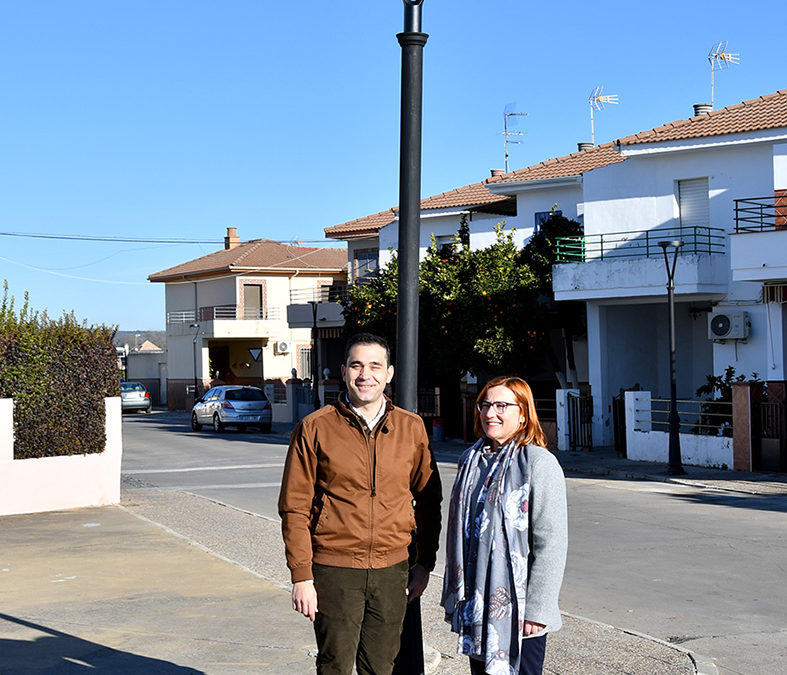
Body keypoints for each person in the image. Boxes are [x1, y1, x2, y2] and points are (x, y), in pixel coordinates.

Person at [278, 333, 442, 675]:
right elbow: (294, 508)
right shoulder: (314, 428)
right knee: (334, 665)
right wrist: (302, 576)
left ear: (389, 373)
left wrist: (424, 562)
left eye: (374, 366)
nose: (365, 374)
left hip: (393, 571)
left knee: (381, 666)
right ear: (344, 371)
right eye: (356, 365)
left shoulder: (411, 428)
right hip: (334, 571)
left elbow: (429, 500)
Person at [441, 376, 567, 675]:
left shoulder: (538, 463)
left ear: (523, 413)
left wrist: (538, 608)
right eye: (485, 405)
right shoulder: (470, 460)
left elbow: (551, 541)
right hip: (478, 604)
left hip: (520, 608)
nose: (489, 413)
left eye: (501, 406)